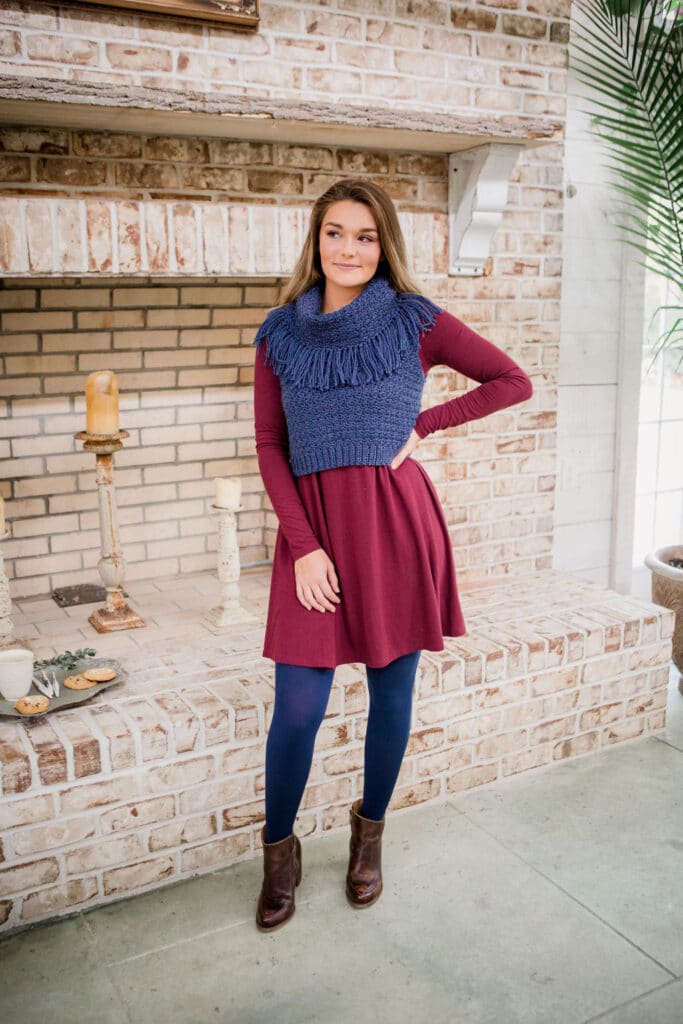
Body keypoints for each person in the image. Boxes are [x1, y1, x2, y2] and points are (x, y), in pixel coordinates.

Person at [251, 177, 533, 932]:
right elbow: (270, 445)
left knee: (392, 698)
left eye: (366, 235)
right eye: (336, 232)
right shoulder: (279, 332)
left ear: (385, 246)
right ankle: (279, 853)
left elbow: (512, 381)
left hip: (395, 531)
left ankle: (367, 837)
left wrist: (425, 425)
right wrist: (304, 549)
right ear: (316, 240)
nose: (349, 248)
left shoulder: (415, 321)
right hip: (311, 539)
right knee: (298, 711)